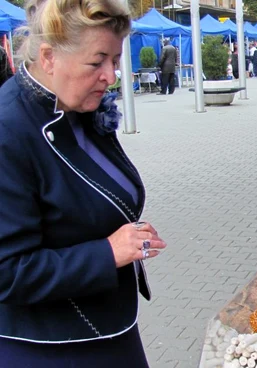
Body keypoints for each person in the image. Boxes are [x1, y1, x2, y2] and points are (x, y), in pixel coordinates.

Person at [0, 0, 167, 366]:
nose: (111, 76)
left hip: (110, 325)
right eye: (97, 62)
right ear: (48, 57)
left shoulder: (76, 106)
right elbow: (8, 272)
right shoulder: (8, 130)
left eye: (115, 60)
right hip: (49, 347)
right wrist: (108, 252)